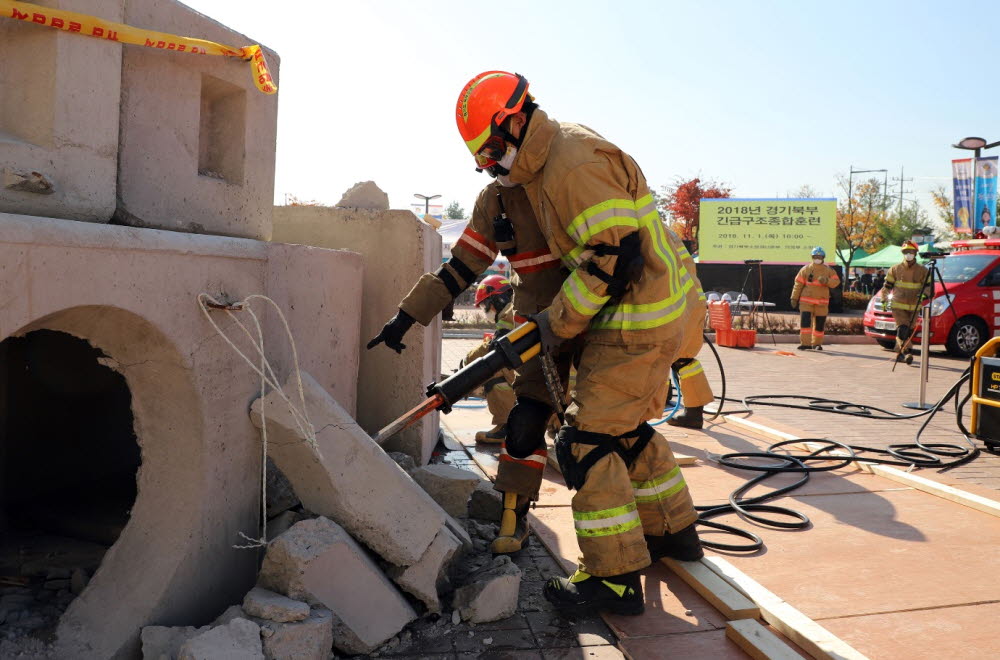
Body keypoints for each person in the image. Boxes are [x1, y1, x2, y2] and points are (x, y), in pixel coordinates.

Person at [455, 70, 703, 616]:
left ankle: (611, 581)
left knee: (586, 443)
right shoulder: (551, 157)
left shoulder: (572, 163)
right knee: (626, 431)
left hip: (634, 317)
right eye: (480, 158)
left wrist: (551, 326)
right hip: (655, 311)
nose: (490, 164)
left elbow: (615, 259)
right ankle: (673, 532)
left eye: (493, 148)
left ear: (517, 118)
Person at [369, 179, 570, 556]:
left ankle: (657, 532)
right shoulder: (495, 199)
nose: (487, 165)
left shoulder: (571, 178)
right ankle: (514, 515)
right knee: (527, 420)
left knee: (601, 436)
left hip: (597, 319)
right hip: (539, 321)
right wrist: (405, 318)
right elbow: (461, 264)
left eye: (493, 151)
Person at [664, 228, 714, 429]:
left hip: (675, 304)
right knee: (684, 360)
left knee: (654, 358)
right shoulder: (668, 233)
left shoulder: (648, 230)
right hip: (693, 300)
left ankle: (642, 419)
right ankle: (694, 414)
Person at [461, 275, 516, 444]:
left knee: (492, 369)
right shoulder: (515, 310)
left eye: (485, 305)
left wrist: (468, 360)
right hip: (556, 382)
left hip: (540, 380)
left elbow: (494, 348)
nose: (486, 311)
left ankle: (506, 427)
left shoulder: (509, 314)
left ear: (497, 299)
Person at [880, 241, 930, 364]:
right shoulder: (895, 269)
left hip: (914, 306)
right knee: (902, 329)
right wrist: (884, 301)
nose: (908, 254)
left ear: (915, 253)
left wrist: (925, 294)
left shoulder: (923, 270)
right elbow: (886, 287)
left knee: (907, 331)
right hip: (898, 306)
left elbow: (929, 286)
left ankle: (899, 353)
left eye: (911, 252)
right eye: (906, 252)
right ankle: (907, 352)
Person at [790, 247, 840, 351]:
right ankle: (805, 344)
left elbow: (836, 282)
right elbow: (798, 284)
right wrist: (794, 298)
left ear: (823, 257)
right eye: (815, 256)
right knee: (805, 324)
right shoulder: (805, 269)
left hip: (822, 303)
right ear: (812, 257)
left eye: (819, 256)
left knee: (819, 326)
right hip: (806, 303)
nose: (817, 258)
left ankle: (817, 344)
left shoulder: (829, 270)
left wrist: (827, 280)